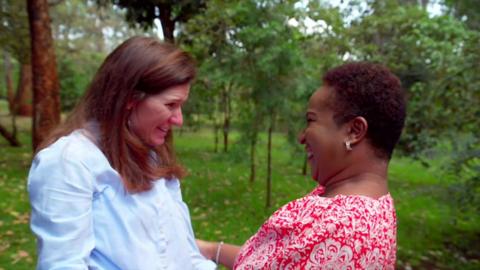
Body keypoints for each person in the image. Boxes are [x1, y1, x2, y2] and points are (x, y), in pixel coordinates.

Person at [28, 36, 216, 269]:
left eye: (181, 106)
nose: (179, 120)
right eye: (170, 105)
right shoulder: (68, 163)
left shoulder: (153, 157)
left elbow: (182, 253)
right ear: (129, 98)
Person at [197, 62, 406, 269]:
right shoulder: (376, 210)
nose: (301, 137)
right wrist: (211, 249)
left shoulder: (323, 226)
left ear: (354, 131)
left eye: (311, 120)